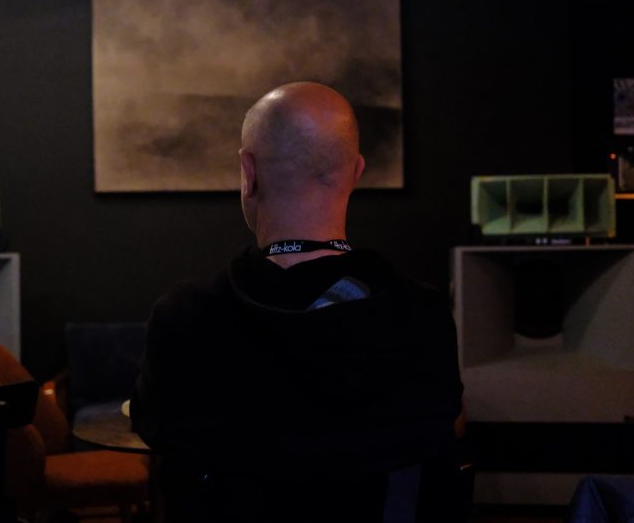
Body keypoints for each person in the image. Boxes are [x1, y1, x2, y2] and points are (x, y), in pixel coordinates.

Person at [131, 82, 465, 522]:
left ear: (248, 173)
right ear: (355, 172)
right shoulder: (422, 318)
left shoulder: (183, 319)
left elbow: (159, 439)